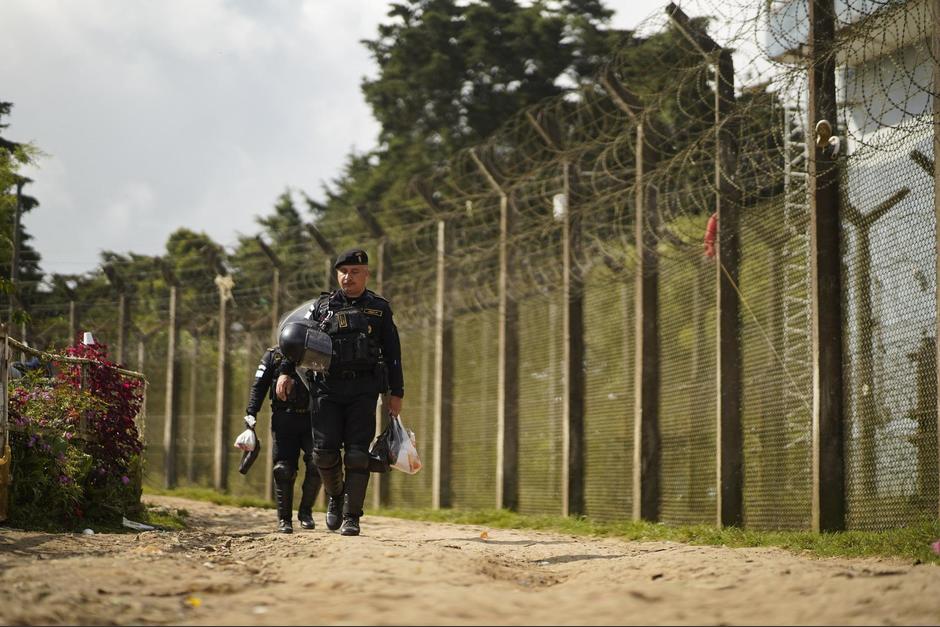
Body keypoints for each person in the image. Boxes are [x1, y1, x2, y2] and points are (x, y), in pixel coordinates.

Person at [276, 248, 404, 537]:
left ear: (366, 274)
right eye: (344, 272)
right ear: (337, 274)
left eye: (355, 272)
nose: (349, 277)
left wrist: (397, 392)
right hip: (326, 389)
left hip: (364, 390)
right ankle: (335, 496)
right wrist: (285, 371)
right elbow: (297, 338)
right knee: (323, 454)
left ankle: (351, 516)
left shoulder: (379, 309)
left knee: (358, 454)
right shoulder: (322, 307)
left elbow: (394, 354)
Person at [241, 344, 322, 534]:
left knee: (318, 462)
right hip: (284, 418)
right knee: (283, 469)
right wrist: (251, 414)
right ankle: (284, 519)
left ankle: (305, 512)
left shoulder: (317, 350)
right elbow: (259, 385)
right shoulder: (273, 356)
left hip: (313, 419)